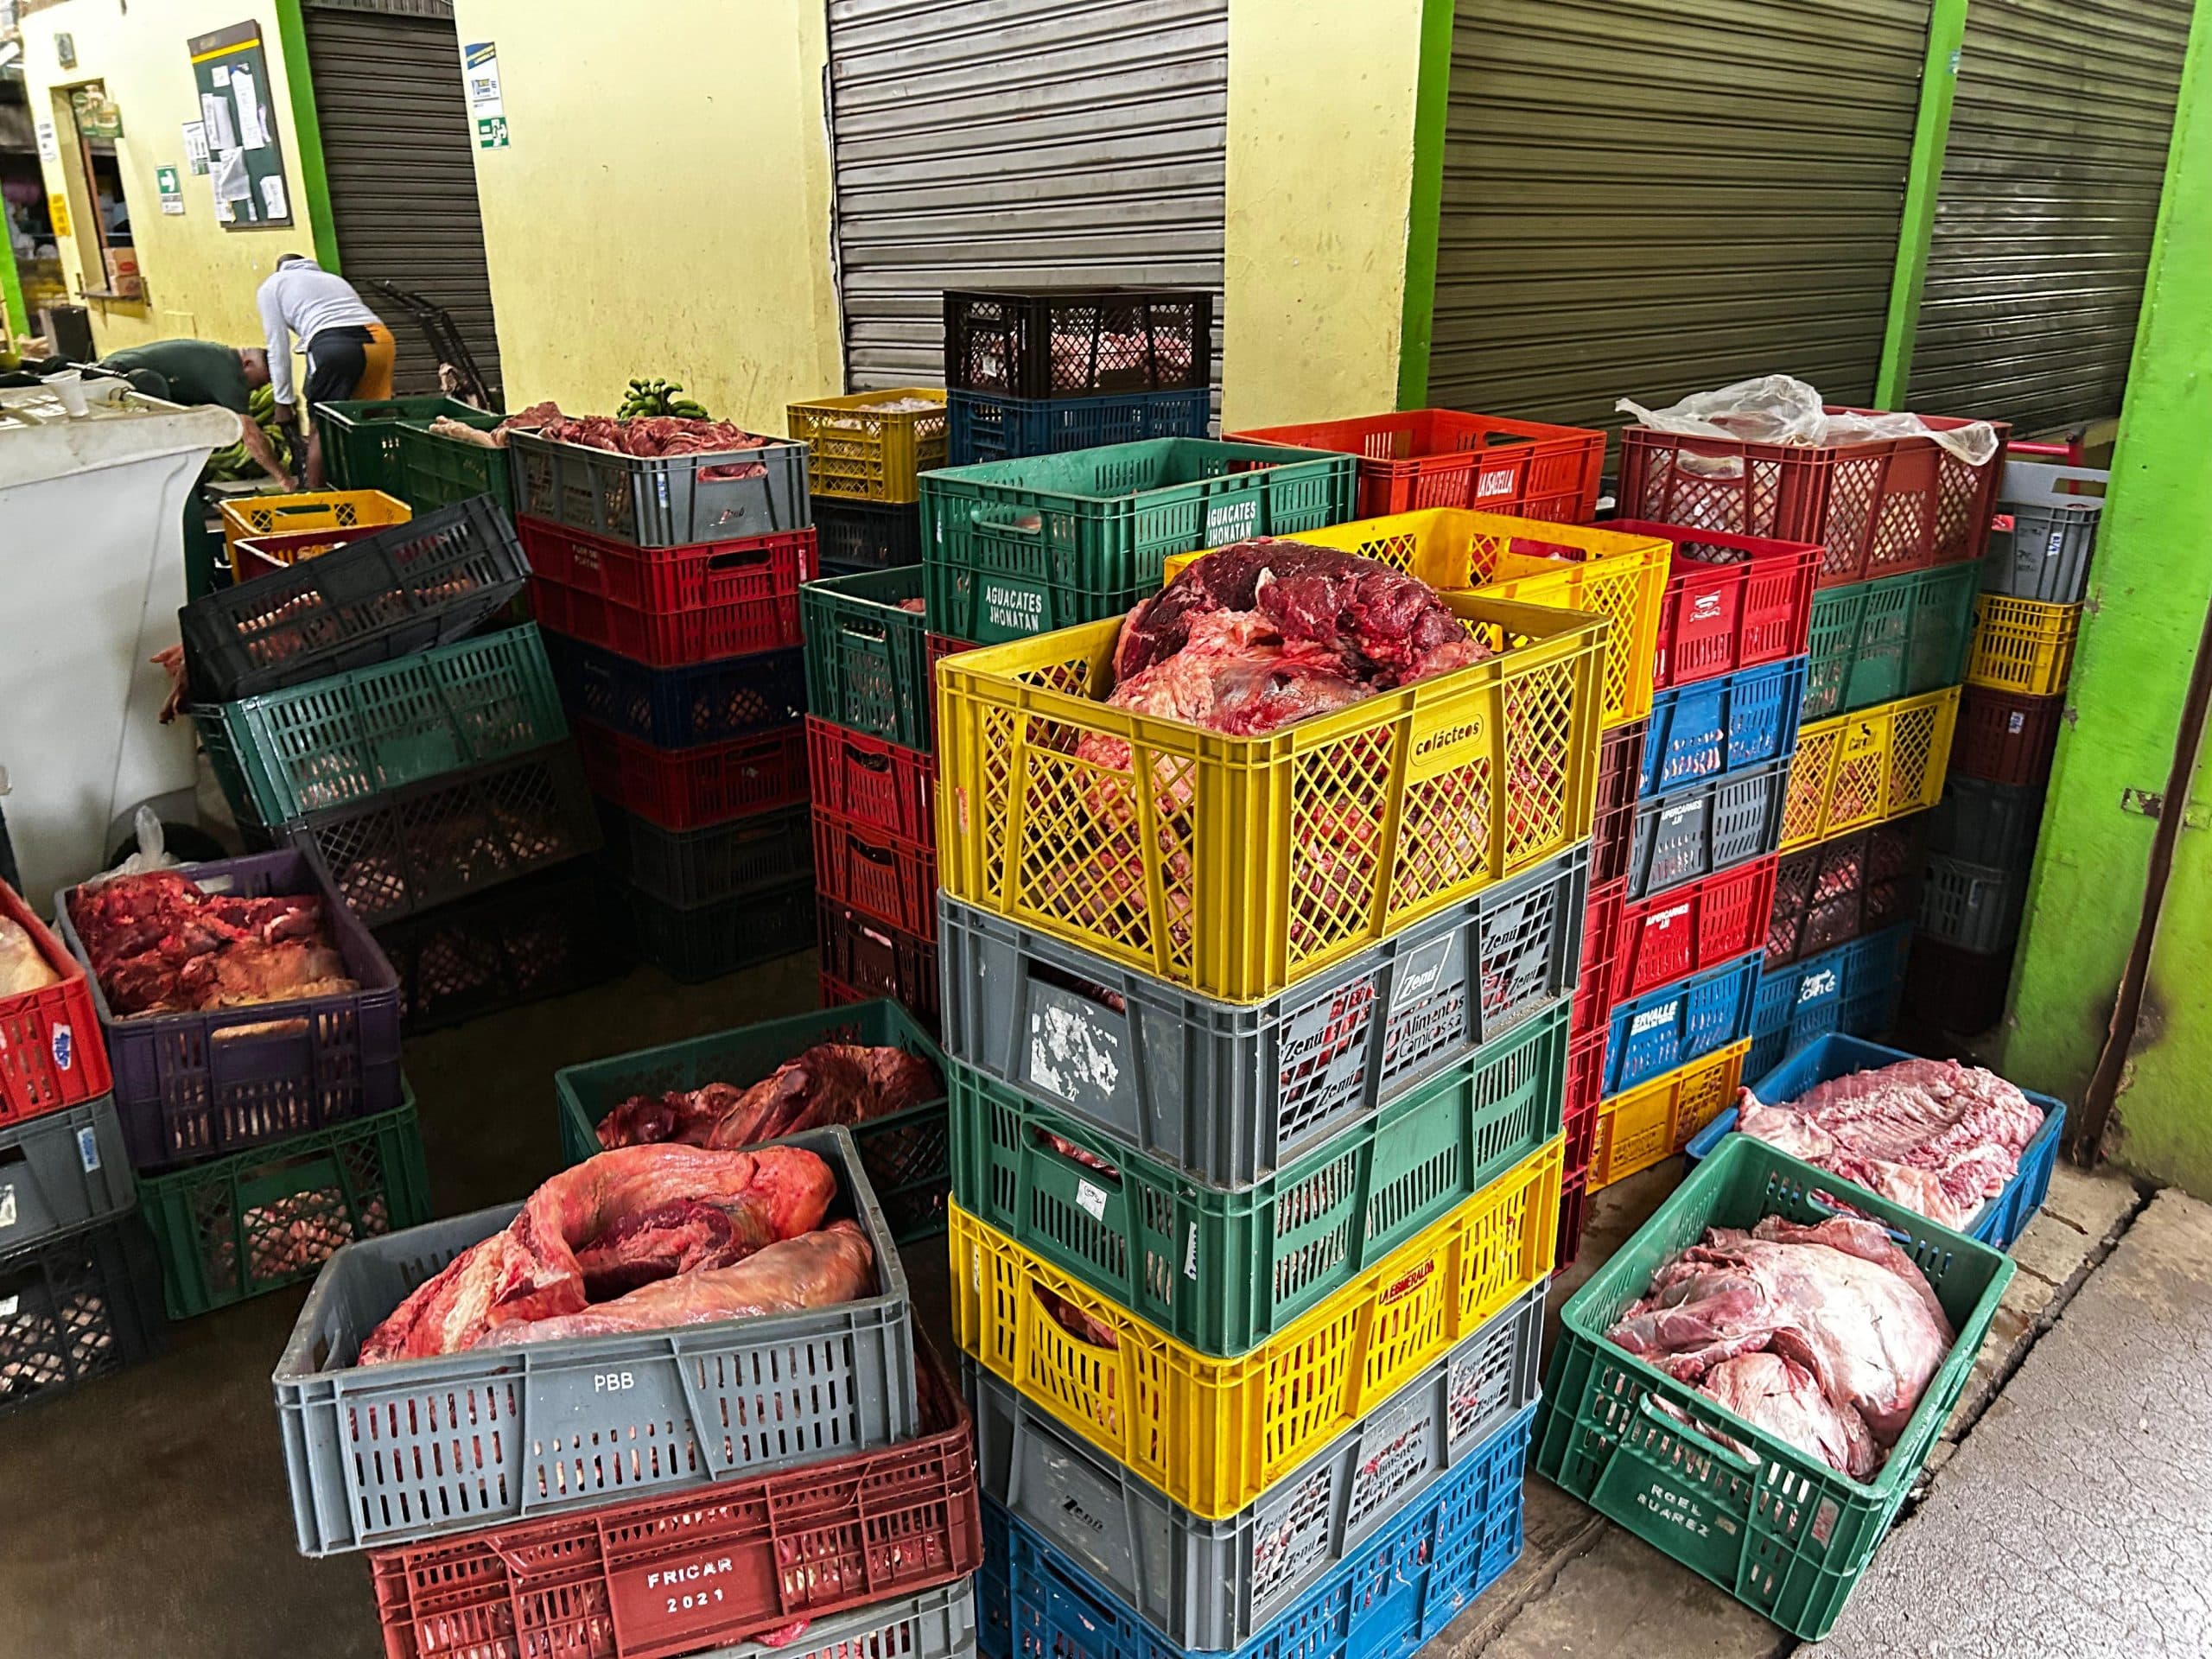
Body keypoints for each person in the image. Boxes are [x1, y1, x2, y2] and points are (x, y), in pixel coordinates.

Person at [256, 252, 397, 487]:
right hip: (381, 342)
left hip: (336, 345)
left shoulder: (272, 285)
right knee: (366, 423)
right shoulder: (334, 280)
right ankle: (376, 488)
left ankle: (318, 498)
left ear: (279, 268)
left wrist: (283, 401)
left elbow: (277, 346)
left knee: (322, 429)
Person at [97, 338, 289, 486]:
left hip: (110, 369)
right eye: (260, 382)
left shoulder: (219, 355)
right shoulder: (230, 375)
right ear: (247, 364)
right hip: (128, 380)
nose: (256, 390)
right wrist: (283, 478)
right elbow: (251, 437)